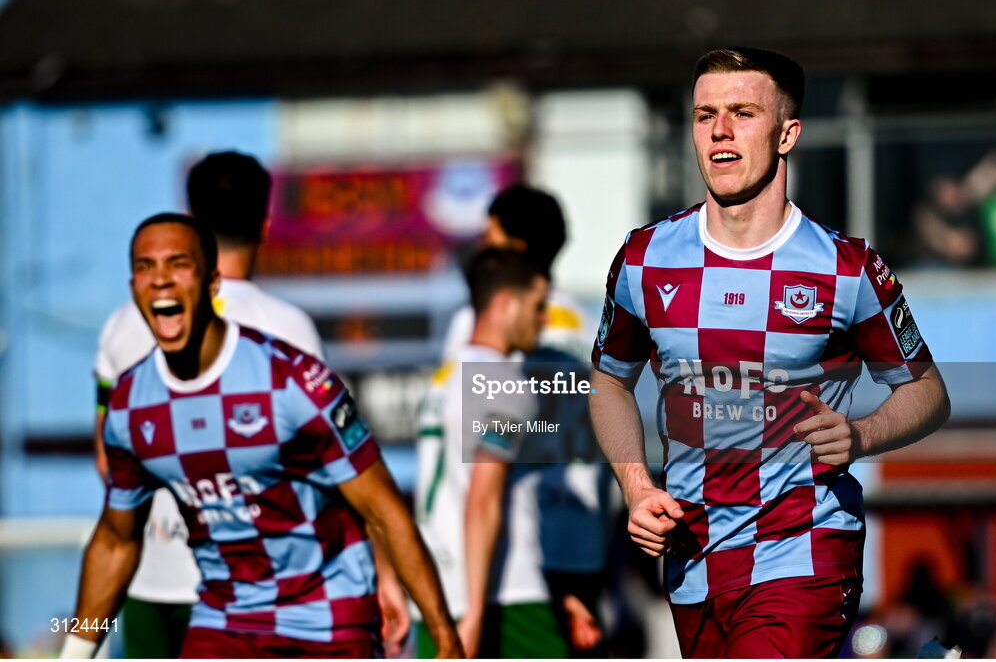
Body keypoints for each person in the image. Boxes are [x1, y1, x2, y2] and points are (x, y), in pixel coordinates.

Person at [589, 46, 951, 658]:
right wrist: (636, 486)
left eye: (742, 113)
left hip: (804, 550)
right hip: (692, 562)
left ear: (788, 134)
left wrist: (862, 435)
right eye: (705, 115)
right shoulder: (644, 258)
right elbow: (608, 383)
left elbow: (928, 393)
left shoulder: (848, 269)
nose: (720, 131)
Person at [62, 214, 462, 659]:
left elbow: (384, 508)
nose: (160, 280)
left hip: (326, 616)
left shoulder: (291, 381)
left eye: (178, 264)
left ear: (213, 282)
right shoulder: (130, 406)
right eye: (145, 267)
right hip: (227, 620)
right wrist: (75, 652)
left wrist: (444, 636)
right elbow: (116, 541)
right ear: (133, 285)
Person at [91, 151, 325, 658]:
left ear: (190, 224)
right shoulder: (291, 329)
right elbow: (323, 467)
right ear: (265, 225)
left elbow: (107, 461)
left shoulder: (124, 324)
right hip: (258, 592)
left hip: (148, 580)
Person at [430, 186, 612, 655]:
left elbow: (473, 454)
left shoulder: (489, 326)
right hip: (580, 541)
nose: (481, 246)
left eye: (491, 236)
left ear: (517, 249)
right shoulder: (588, 323)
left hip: (513, 549)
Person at [416, 248, 568, 658]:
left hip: (433, 589)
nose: (544, 319)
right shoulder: (503, 383)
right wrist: (477, 613)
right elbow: (482, 499)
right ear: (506, 305)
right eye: (538, 306)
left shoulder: (445, 376)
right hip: (504, 597)